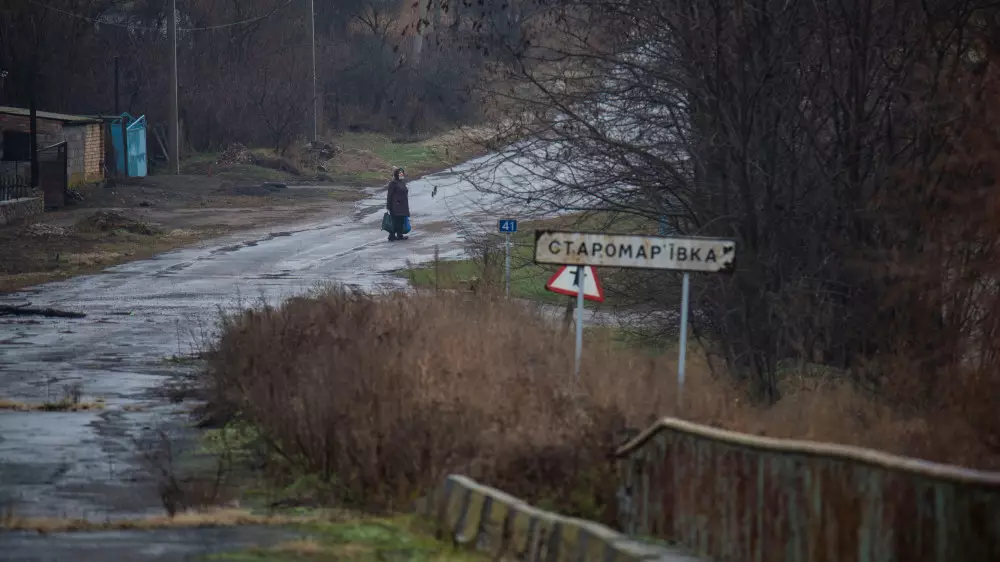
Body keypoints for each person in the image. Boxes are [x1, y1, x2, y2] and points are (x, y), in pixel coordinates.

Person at [386, 167, 410, 241]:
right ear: (396, 174)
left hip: (403, 205)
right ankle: (391, 236)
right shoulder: (393, 183)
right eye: (400, 173)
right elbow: (389, 195)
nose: (401, 174)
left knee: (401, 220)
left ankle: (400, 235)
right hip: (395, 205)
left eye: (402, 172)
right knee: (395, 221)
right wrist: (388, 206)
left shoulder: (402, 182)